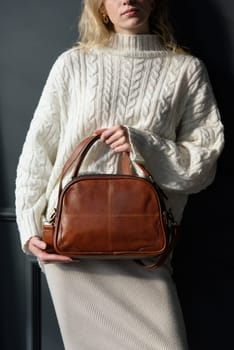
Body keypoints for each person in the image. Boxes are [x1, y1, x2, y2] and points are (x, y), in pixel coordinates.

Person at [15, 0, 224, 349]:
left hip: (146, 249)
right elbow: (38, 152)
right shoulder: (73, 64)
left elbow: (202, 167)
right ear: (100, 7)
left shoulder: (186, 71)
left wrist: (143, 144)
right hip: (72, 249)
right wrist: (29, 229)